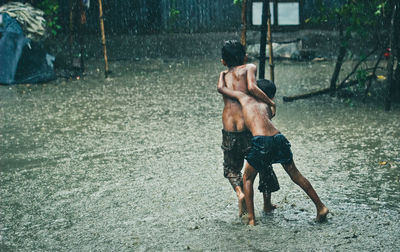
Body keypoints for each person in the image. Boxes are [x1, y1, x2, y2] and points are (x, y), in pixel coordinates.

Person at [217, 76, 329, 226]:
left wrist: (223, 75)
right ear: (272, 96)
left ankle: (251, 220)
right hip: (279, 138)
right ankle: (320, 207)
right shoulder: (270, 107)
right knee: (296, 175)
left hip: (261, 141)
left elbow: (222, 89)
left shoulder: (245, 100)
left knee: (247, 178)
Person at [218, 40, 278, 217]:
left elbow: (219, 89)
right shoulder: (249, 67)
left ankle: (240, 192)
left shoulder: (223, 75)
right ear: (244, 57)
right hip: (248, 128)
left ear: (223, 61)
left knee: (231, 168)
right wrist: (270, 101)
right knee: (264, 165)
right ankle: (267, 205)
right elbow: (252, 87)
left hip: (229, 128)